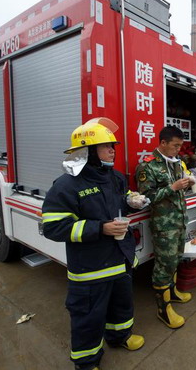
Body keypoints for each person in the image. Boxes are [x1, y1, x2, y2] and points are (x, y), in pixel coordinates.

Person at [42, 118, 145, 370]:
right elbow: (53, 227)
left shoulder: (115, 177)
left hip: (120, 261)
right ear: (88, 151)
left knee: (122, 305)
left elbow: (119, 201)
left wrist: (131, 200)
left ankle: (119, 336)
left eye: (113, 145)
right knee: (89, 317)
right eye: (106, 146)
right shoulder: (65, 186)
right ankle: (87, 362)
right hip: (91, 269)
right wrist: (100, 228)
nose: (113, 150)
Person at [136, 126, 194, 329]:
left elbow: (178, 191)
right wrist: (173, 187)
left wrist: (186, 184)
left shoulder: (175, 163)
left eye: (180, 145)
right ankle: (164, 309)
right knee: (164, 265)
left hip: (179, 221)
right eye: (175, 145)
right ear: (163, 143)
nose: (179, 149)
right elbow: (147, 198)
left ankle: (174, 292)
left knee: (176, 259)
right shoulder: (147, 166)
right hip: (164, 226)